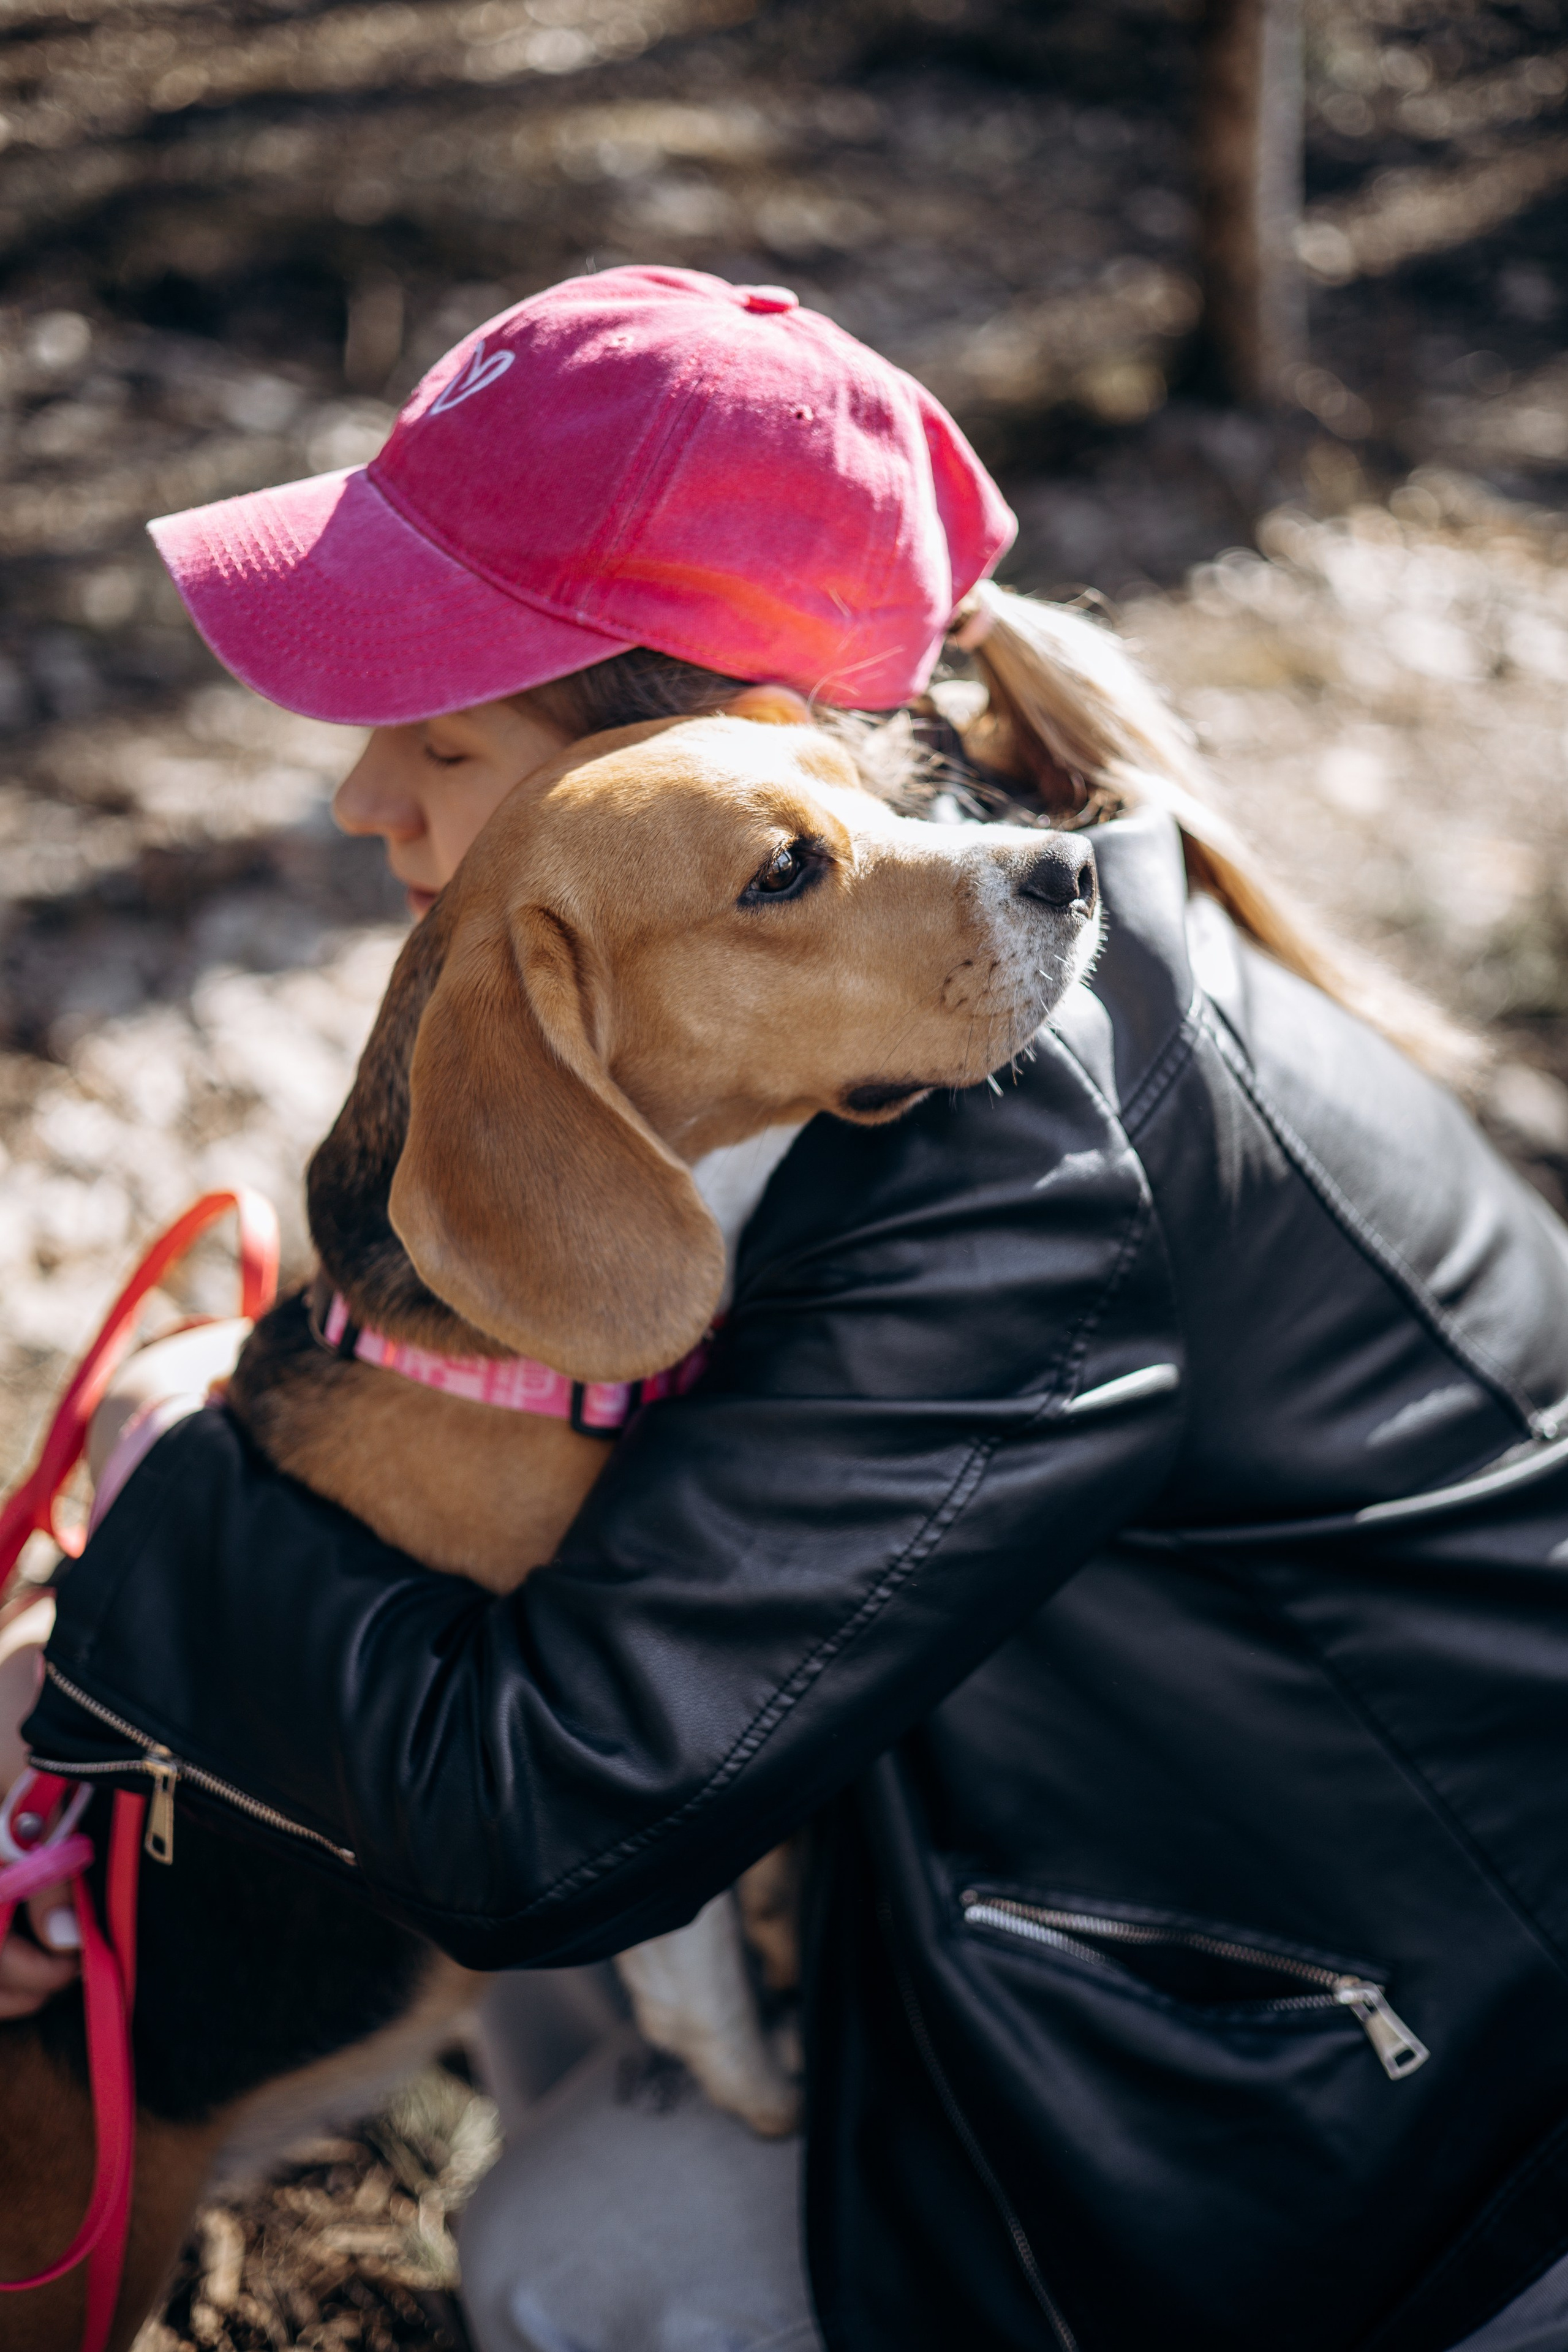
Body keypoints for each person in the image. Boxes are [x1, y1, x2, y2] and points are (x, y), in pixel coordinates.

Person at [15, 264, 1568, 2352]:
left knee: (581, 2261)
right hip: (1135, 1880)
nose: (359, 798)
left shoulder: (1021, 1157)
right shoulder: (856, 991)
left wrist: (171, 1519)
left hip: (1413, 2086)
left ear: (711, 754)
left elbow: (544, 1817)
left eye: (440, 736)